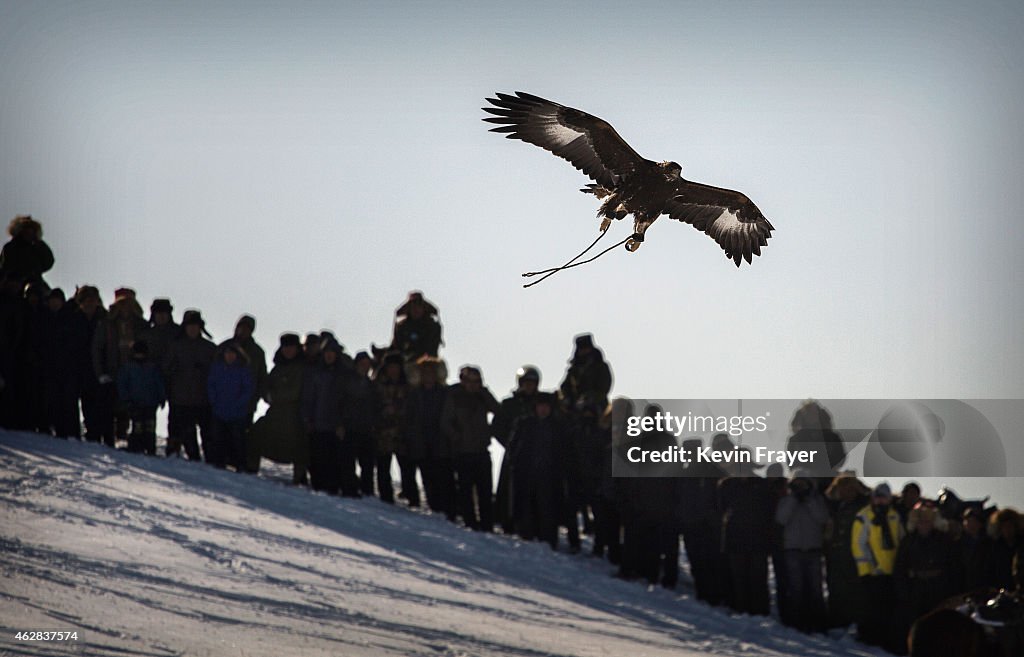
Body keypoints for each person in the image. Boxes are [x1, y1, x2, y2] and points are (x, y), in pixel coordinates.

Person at [441, 365, 499, 531]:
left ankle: (487, 524)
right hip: (463, 453)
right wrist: (456, 438)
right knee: (466, 491)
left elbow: (497, 409)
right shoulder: (454, 397)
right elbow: (445, 422)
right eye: (470, 381)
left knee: (485, 492)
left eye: (477, 381)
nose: (474, 385)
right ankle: (470, 522)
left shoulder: (482, 397)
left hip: (481, 451)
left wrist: (484, 392)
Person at [894, 503, 960, 648]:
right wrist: (904, 592)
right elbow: (900, 568)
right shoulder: (908, 541)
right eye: (921, 521)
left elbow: (953, 566)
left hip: (938, 590)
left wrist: (950, 591)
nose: (924, 524)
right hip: (915, 589)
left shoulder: (944, 541)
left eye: (927, 521)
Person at [250, 333, 309, 486]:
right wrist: (268, 395)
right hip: (275, 415)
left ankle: (299, 478)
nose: (288, 351)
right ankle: (250, 468)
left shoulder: (302, 368)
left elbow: (295, 392)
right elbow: (266, 386)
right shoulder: (278, 367)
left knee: (299, 446)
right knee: (255, 435)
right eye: (285, 347)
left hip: (294, 416)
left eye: (291, 348)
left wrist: (275, 396)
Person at [851, 482, 905, 651]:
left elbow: (901, 539)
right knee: (872, 609)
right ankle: (869, 640)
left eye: (884, 497)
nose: (880, 501)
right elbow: (858, 545)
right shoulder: (864, 516)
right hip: (874, 572)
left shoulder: (894, 516)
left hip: (892, 572)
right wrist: (865, 570)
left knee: (888, 609)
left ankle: (886, 640)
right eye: (878, 497)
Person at [92, 287, 148, 446]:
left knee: (129, 408)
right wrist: (100, 372)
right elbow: (97, 348)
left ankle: (127, 438)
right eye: (122, 304)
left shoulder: (141, 325)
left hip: (133, 374)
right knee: (110, 407)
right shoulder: (107, 324)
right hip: (112, 372)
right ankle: (109, 439)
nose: (125, 308)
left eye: (129, 303)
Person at [775, 469, 829, 632]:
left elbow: (823, 518)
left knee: (815, 589)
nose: (801, 486)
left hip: (813, 549)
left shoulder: (817, 500)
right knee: (796, 588)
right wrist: (794, 500)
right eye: (797, 483)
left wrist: (808, 500)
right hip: (793, 549)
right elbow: (781, 519)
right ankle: (797, 622)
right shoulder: (786, 500)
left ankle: (818, 623)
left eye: (804, 483)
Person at [492, 365, 541, 533]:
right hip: (514, 455)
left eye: (532, 383)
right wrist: (511, 444)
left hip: (535, 456)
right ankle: (507, 520)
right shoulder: (509, 404)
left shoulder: (541, 404)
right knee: (509, 490)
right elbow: (497, 427)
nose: (529, 386)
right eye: (526, 383)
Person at [164, 310, 216, 460]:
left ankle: (211, 459)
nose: (192, 329)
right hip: (180, 398)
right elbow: (166, 368)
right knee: (186, 433)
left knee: (208, 433)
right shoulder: (175, 346)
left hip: (204, 399)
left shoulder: (209, 348)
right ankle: (190, 457)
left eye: (195, 326)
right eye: (190, 326)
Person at [824, 473, 872, 629]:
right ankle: (836, 621)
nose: (847, 492)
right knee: (836, 589)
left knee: (855, 590)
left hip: (855, 555)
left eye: (850, 488)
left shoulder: (864, 506)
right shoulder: (834, 505)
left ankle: (855, 623)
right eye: (843, 488)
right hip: (836, 554)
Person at [403, 356, 451, 512]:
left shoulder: (445, 393)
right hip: (421, 442)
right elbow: (409, 417)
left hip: (441, 443)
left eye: (431, 372)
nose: (428, 375)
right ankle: (434, 506)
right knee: (427, 477)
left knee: (443, 477)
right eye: (425, 372)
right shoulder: (415, 394)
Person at [301, 338, 348, 494]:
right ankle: (318, 485)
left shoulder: (342, 375)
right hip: (317, 423)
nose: (329, 356)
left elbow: (345, 402)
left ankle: (333, 486)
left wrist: (342, 423)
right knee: (317, 457)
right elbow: (308, 398)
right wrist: (307, 419)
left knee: (334, 458)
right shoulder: (316, 373)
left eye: (332, 353)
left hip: (336, 425)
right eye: (327, 353)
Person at [223, 315, 267, 471]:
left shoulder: (257, 352)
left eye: (247, 328)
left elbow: (262, 378)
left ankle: (241, 463)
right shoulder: (225, 347)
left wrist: (255, 398)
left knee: (241, 436)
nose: (243, 331)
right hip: (223, 403)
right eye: (241, 327)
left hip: (246, 404)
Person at [206, 342, 255, 470]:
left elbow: (247, 390)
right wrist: (214, 400)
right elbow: (211, 385)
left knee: (238, 439)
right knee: (218, 438)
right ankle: (218, 462)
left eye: (232, 354)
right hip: (219, 410)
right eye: (227, 353)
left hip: (237, 412)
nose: (230, 356)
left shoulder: (243, 370)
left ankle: (240, 464)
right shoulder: (217, 368)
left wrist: (239, 404)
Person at [39, 288, 81, 438]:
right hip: (50, 365)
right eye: (52, 301)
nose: (54, 303)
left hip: (68, 366)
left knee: (69, 400)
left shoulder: (70, 318)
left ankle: (72, 432)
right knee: (53, 399)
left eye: (57, 300)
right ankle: (57, 429)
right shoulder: (44, 318)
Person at [116, 341, 166, 455]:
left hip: (151, 402)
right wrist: (125, 399)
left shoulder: (152, 367)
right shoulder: (128, 367)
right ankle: (135, 446)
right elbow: (122, 384)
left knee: (150, 426)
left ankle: (150, 447)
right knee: (137, 426)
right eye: (137, 353)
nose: (140, 356)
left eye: (142, 354)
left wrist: (162, 397)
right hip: (135, 402)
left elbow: (159, 383)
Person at [786, 400, 846, 489]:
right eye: (808, 413)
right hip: (804, 482)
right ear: (803, 415)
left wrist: (827, 469)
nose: (811, 416)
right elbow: (791, 462)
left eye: (814, 412)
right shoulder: (796, 439)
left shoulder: (832, 437)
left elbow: (840, 457)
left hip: (828, 480)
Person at [344, 351, 378, 497]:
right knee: (349, 461)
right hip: (350, 427)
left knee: (367, 463)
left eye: (367, 365)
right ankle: (350, 489)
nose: (365, 367)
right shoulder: (347, 383)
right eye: (362, 364)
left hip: (366, 429)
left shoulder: (371, 385)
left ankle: (367, 490)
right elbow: (340, 404)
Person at [559, 333, 612, 414]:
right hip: (574, 407)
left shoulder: (600, 366)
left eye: (586, 349)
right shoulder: (574, 368)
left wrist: (588, 399)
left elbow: (603, 389)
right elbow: (564, 386)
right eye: (581, 349)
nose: (584, 352)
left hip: (596, 407)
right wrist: (566, 398)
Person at [0, 215, 54, 289]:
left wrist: (38, 242)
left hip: (34, 287)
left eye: (32, 229)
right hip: (14, 286)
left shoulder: (36, 248)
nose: (29, 231)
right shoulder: (11, 247)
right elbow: (4, 267)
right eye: (27, 228)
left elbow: (49, 262)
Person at [391, 291, 442, 365]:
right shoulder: (401, 326)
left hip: (427, 363)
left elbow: (433, 348)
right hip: (404, 362)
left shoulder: (433, 326)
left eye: (419, 306)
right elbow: (396, 346)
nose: (416, 309)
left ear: (424, 308)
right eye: (413, 306)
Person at [957, 507, 996, 592]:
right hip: (963, 588)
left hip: (985, 587)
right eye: (968, 521)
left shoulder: (989, 544)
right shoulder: (957, 544)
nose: (971, 525)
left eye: (974, 521)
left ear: (980, 524)